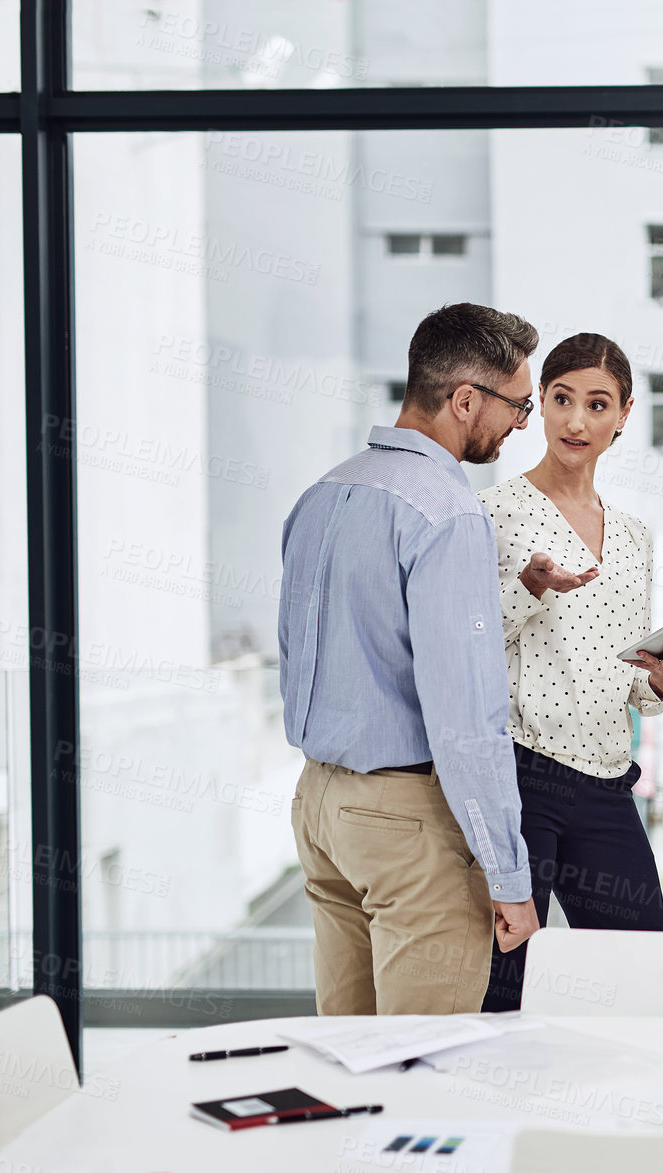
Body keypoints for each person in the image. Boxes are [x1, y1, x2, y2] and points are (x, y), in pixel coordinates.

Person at [278, 302, 541, 1015]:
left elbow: (296, 655)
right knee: (423, 1073)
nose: (521, 426)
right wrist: (509, 874)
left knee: (352, 1057)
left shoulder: (323, 494)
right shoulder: (447, 514)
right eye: (518, 407)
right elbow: (465, 719)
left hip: (320, 806)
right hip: (404, 819)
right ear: (464, 400)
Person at [477, 333, 663, 1012]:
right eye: (561, 400)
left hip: (609, 784)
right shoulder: (495, 513)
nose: (576, 420)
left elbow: (631, 682)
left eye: (597, 403)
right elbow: (467, 644)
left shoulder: (636, 534)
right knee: (505, 986)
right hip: (525, 778)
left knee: (641, 978)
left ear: (625, 413)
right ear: (542, 406)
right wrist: (529, 586)